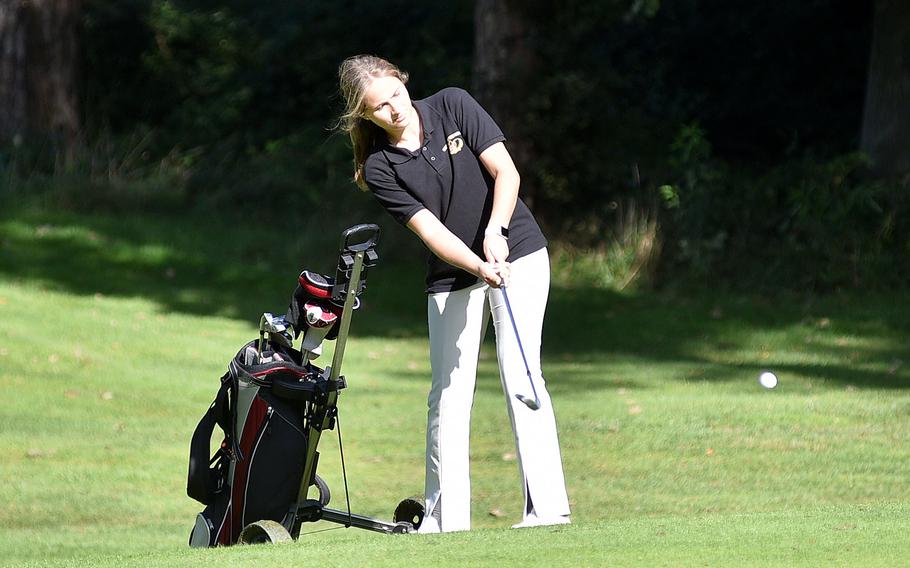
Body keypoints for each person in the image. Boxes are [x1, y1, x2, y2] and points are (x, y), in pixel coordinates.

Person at [336, 54, 570, 533]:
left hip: (517, 251)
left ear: (402, 80)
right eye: (379, 107)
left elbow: (506, 173)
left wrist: (497, 231)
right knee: (448, 391)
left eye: (395, 95)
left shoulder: (453, 105)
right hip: (453, 272)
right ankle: (445, 519)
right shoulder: (380, 167)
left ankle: (546, 510)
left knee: (521, 375)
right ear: (365, 116)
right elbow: (431, 232)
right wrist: (479, 265)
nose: (394, 110)